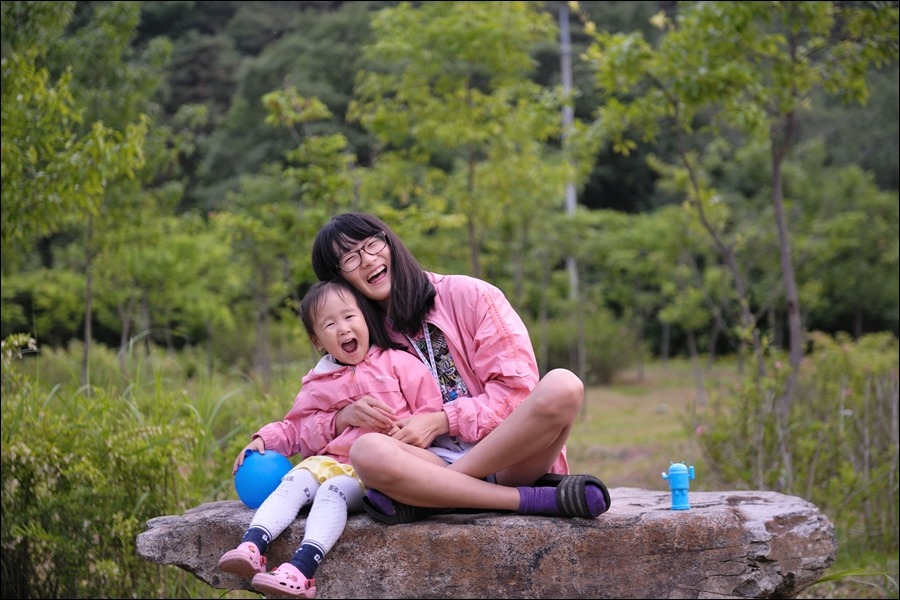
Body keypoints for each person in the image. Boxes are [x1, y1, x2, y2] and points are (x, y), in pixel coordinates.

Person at [311, 212, 610, 525]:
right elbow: (306, 419)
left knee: (564, 385)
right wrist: (342, 417)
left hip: (511, 457)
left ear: (389, 242)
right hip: (431, 462)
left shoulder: (470, 295)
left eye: (372, 244)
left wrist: (441, 421)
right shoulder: (355, 339)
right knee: (366, 451)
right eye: (350, 259)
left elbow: (516, 393)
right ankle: (524, 500)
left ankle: (436, 498)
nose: (368, 260)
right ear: (338, 282)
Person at [217, 278, 444, 598]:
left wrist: (406, 434)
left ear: (366, 318)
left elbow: (430, 413)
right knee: (294, 480)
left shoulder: (399, 363)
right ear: (317, 340)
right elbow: (296, 428)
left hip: (373, 470)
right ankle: (252, 545)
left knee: (331, 491)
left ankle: (301, 570)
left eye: (349, 316)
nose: (343, 328)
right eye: (329, 324)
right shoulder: (318, 381)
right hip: (329, 461)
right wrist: (264, 440)